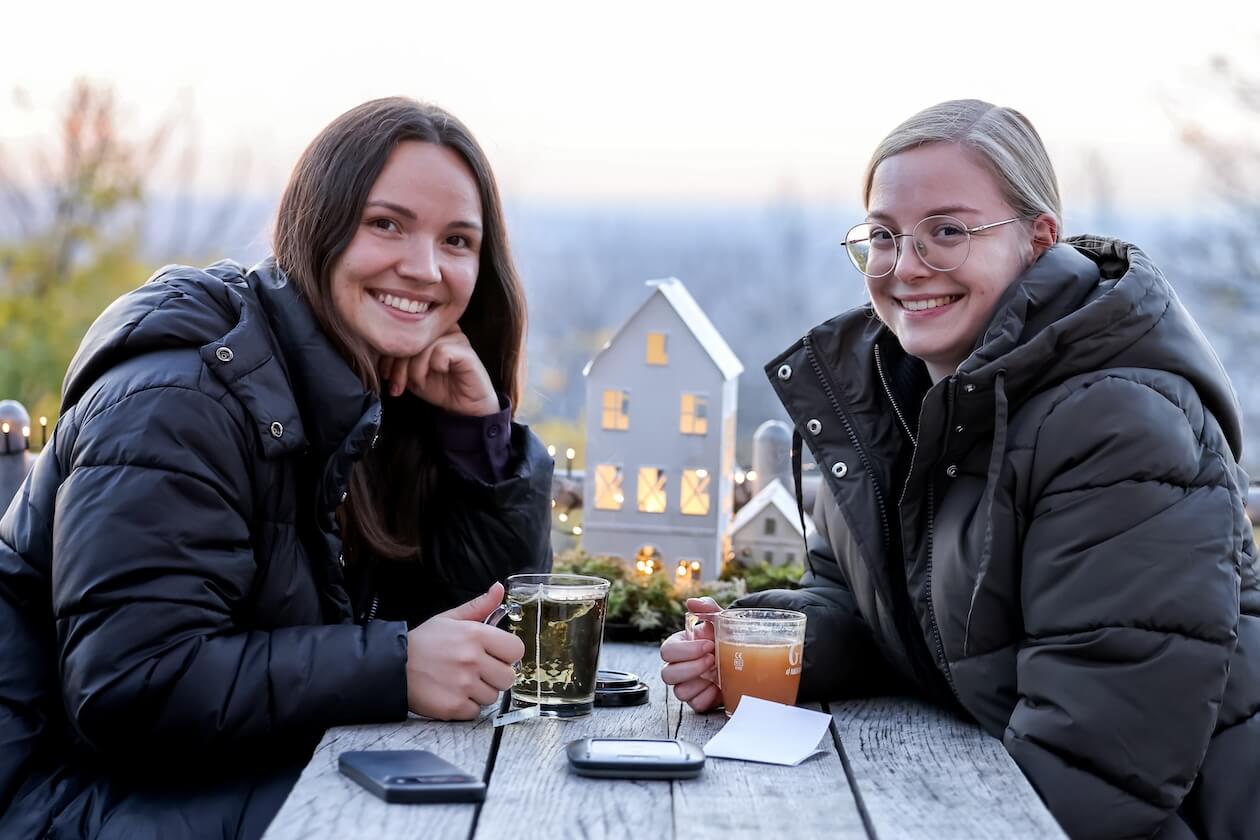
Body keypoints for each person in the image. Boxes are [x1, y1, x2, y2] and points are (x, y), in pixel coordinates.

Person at [661, 99, 1260, 839]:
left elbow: (1100, 762)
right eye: (884, 236)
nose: (905, 268)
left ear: (1038, 240)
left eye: (946, 231)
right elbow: (864, 603)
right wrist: (767, 648)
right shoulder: (894, 400)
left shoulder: (1118, 426)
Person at [0, 97, 553, 839]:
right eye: (385, 223)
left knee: (508, 803)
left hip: (222, 765)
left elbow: (476, 628)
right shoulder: (176, 399)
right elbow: (127, 688)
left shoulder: (373, 394)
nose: (424, 268)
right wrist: (392, 667)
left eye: (457, 240)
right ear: (317, 226)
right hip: (53, 789)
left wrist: (478, 439)